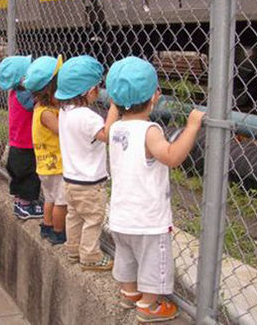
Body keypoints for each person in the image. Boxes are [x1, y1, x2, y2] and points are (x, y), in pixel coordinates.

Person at [106, 56, 205, 322]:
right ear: (155, 96)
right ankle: (148, 305)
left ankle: (129, 293)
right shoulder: (150, 130)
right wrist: (192, 126)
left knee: (125, 256)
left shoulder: (115, 128)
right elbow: (172, 156)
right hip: (148, 219)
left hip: (120, 216)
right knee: (152, 262)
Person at [54, 55, 118, 271]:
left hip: (70, 180)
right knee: (93, 218)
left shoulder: (64, 112)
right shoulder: (88, 117)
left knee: (74, 215)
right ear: (89, 91)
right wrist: (114, 109)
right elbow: (106, 135)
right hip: (90, 183)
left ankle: (73, 249)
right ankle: (90, 256)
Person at [24, 55, 67, 245]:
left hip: (46, 166)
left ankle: (47, 225)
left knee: (50, 198)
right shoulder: (47, 113)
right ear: (50, 89)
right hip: (55, 165)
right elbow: (61, 131)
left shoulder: (40, 108)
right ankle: (58, 232)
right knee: (61, 201)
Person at [0, 56, 43, 219]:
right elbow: (35, 104)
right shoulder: (24, 94)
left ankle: (20, 202)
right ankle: (25, 207)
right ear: (22, 77)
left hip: (17, 143)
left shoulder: (15, 91)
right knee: (29, 176)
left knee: (20, 176)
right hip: (26, 144)